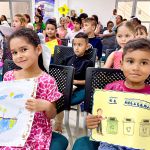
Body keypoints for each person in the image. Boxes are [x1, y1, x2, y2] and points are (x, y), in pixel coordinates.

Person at [73, 38, 150, 150]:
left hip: (141, 143)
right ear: (121, 64)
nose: (136, 68)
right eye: (130, 61)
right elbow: (97, 117)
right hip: (111, 142)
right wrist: (92, 121)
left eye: (144, 63)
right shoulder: (110, 89)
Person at [1, 28, 62, 149]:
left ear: (38, 49)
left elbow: (52, 114)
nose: (19, 56)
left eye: (24, 49)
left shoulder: (47, 81)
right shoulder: (9, 77)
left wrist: (46, 106)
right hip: (11, 125)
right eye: (14, 52)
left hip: (36, 130)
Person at [54, 32, 94, 133]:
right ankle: (58, 123)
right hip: (65, 85)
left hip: (79, 87)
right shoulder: (67, 59)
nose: (76, 47)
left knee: (60, 97)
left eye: (80, 45)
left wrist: (74, 81)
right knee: (56, 95)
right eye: (74, 45)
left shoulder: (87, 63)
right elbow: (60, 73)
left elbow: (89, 81)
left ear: (87, 46)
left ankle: (58, 123)